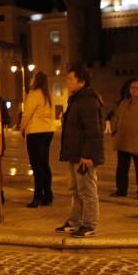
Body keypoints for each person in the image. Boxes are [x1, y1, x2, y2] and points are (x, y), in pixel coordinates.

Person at [55, 63, 104, 238]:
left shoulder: (88, 102)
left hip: (84, 155)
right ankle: (75, 221)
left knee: (87, 190)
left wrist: (88, 155)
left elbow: (93, 131)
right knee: (76, 190)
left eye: (70, 79)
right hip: (74, 152)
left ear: (81, 82)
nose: (67, 82)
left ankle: (90, 224)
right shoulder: (76, 100)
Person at [110, 79, 138, 199]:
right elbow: (117, 117)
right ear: (129, 90)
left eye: (137, 88)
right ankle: (121, 190)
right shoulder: (124, 103)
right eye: (133, 88)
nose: (135, 90)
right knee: (121, 168)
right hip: (123, 140)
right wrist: (114, 130)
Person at [21, 71, 56, 207]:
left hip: (35, 132)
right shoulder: (49, 95)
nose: (31, 80)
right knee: (45, 164)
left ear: (36, 80)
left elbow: (27, 114)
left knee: (36, 166)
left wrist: (22, 128)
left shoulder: (34, 94)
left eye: (33, 78)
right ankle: (48, 195)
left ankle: (37, 197)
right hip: (48, 131)